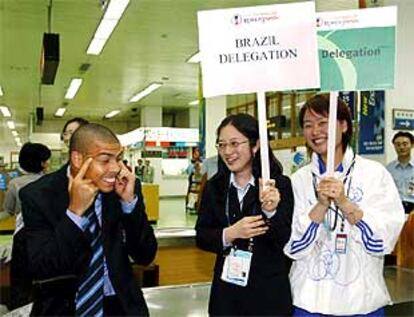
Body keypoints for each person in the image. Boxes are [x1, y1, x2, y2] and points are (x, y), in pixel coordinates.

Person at [284, 94, 405, 316]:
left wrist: (344, 202)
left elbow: (384, 239)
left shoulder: (374, 173)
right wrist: (320, 207)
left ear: (344, 125)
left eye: (323, 123)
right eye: (308, 125)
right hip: (310, 300)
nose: (315, 131)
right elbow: (292, 245)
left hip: (361, 300)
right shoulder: (298, 181)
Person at [20, 123, 157, 316]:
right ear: (77, 159)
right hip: (65, 308)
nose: (116, 168)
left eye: (118, 159)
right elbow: (44, 266)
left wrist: (129, 204)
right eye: (105, 160)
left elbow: (146, 255)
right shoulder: (38, 196)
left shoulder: (125, 188)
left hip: (120, 306)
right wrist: (74, 212)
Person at [195, 113, 294, 316]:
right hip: (227, 295)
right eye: (221, 145)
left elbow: (285, 239)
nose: (227, 151)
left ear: (255, 145)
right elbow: (202, 236)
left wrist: (271, 211)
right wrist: (229, 234)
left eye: (234, 143)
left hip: (268, 296)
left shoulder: (278, 185)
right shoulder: (215, 188)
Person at [3, 142, 51, 310]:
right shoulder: (52, 181)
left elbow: (7, 212)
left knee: (20, 281)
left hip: (22, 236)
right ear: (43, 163)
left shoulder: (14, 184)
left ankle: (18, 310)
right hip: (47, 236)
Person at [386, 131, 414, 213]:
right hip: (395, 209)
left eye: (405, 144)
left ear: (412, 145)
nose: (401, 147)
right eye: (398, 144)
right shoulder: (388, 169)